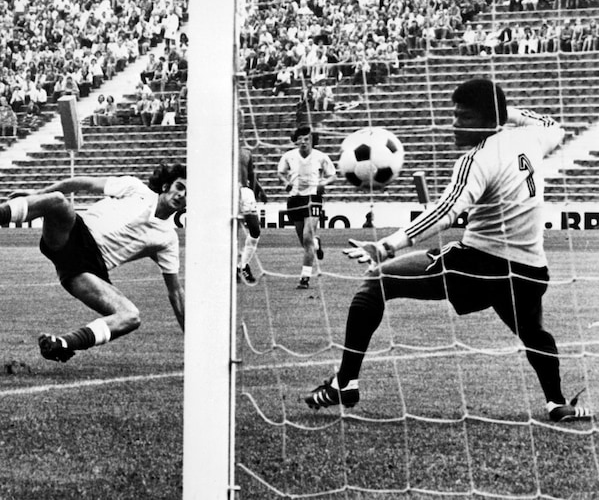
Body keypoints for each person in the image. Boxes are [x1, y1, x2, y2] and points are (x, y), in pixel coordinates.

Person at [303, 78, 592, 423]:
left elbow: (445, 211)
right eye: (454, 116)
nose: (454, 125)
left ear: (488, 119)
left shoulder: (476, 160)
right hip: (529, 271)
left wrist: (387, 245)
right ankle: (556, 402)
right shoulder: (529, 137)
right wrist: (504, 114)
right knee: (534, 333)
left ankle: (345, 382)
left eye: (465, 118)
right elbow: (552, 125)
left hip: (478, 265)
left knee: (376, 282)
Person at [0, 163, 187, 363]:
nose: (181, 195)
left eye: (188, 194)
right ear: (167, 185)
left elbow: (175, 292)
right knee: (57, 201)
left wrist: (195, 348)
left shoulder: (167, 239)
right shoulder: (136, 189)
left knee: (130, 316)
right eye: (180, 187)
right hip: (74, 232)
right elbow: (81, 183)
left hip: (87, 270)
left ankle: (63, 344)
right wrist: (35, 195)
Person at [277, 126, 335, 288]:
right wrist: (286, 182)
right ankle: (316, 244)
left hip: (313, 198)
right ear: (296, 140)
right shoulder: (289, 156)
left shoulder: (321, 157)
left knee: (307, 236)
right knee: (305, 241)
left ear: (312, 141)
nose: (303, 142)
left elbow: (333, 175)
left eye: (307, 139)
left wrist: (324, 182)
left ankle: (305, 278)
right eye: (300, 139)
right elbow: (280, 173)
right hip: (295, 200)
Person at [236, 145, 265, 285]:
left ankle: (242, 265)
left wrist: (259, 190)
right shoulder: (219, 150)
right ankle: (231, 267)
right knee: (229, 231)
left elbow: (251, 174)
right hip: (226, 192)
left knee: (255, 229)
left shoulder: (246, 152)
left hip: (245, 192)